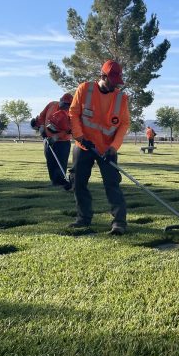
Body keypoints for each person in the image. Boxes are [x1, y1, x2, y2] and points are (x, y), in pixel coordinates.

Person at [68, 60, 130, 233]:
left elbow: (124, 124)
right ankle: (83, 218)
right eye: (113, 80)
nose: (116, 85)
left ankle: (119, 222)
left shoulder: (121, 98)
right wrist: (79, 136)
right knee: (78, 182)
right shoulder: (84, 89)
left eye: (118, 81)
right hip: (84, 145)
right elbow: (73, 113)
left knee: (112, 184)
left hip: (107, 148)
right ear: (102, 76)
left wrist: (114, 147)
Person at [30, 93, 73, 190]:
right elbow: (42, 117)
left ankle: (61, 181)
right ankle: (54, 181)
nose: (66, 106)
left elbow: (70, 130)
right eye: (65, 103)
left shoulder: (71, 113)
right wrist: (39, 126)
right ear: (60, 100)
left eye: (69, 105)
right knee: (50, 160)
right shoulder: (52, 105)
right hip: (47, 139)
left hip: (63, 141)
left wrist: (56, 137)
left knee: (60, 162)